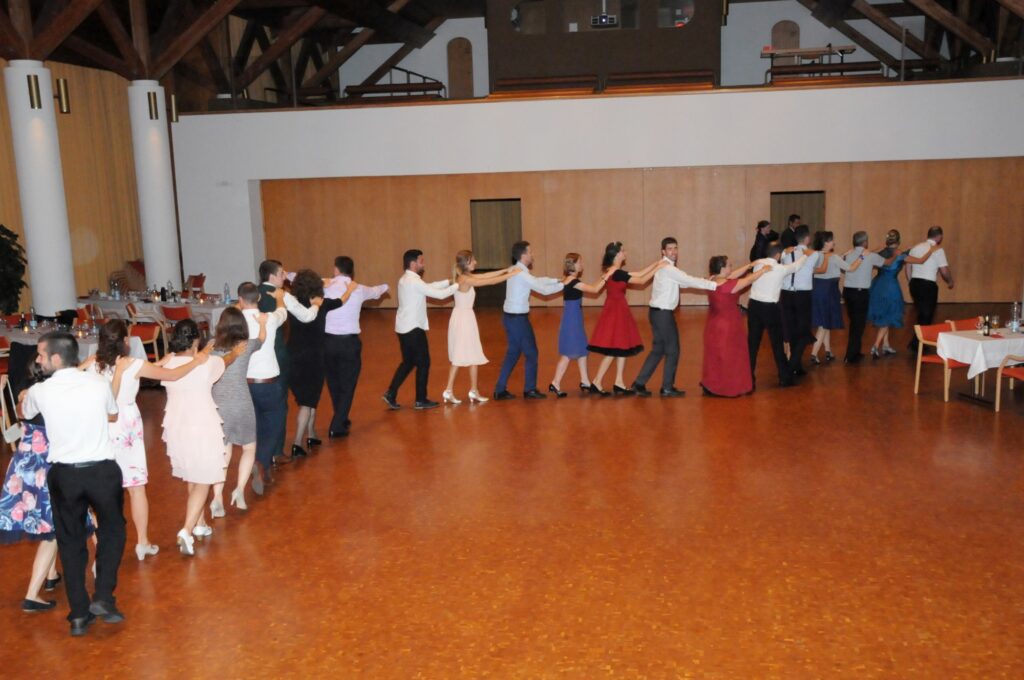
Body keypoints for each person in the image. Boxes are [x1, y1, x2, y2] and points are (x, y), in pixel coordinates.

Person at [19, 332, 124, 636]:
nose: (38, 360)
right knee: (112, 532)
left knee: (70, 540)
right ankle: (103, 596)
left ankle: (78, 614)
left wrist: (24, 395)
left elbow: (24, 414)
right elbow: (113, 414)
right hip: (102, 471)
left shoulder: (41, 390)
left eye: (41, 355)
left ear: (55, 358)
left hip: (65, 475)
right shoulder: (98, 383)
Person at [81, 320, 209, 561]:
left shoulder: (93, 364)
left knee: (100, 489)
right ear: (125, 341)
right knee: (136, 487)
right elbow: (172, 375)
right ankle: (142, 542)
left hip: (101, 426)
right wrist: (197, 360)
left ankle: (101, 545)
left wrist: (158, 363)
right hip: (126, 425)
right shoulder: (132, 364)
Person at [1, 354, 71, 613]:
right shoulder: (52, 397)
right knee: (53, 528)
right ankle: (32, 595)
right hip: (46, 465)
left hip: (24, 464)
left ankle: (51, 574)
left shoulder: (27, 393)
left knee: (45, 522)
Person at [161, 320, 230, 557]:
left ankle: (200, 523)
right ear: (196, 340)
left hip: (175, 425)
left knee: (193, 473)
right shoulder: (207, 363)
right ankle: (187, 529)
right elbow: (225, 361)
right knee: (204, 478)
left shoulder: (168, 362)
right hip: (202, 423)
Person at [631, 237, 717, 397]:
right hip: (663, 315)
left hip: (657, 313)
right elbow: (687, 279)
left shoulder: (666, 267)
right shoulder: (668, 268)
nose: (674, 252)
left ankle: (639, 383)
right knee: (673, 350)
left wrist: (705, 280)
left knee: (658, 350)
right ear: (663, 251)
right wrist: (714, 285)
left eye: (675, 248)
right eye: (670, 249)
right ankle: (667, 387)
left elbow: (682, 282)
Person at [257, 259, 320, 466]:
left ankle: (259, 452)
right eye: (282, 273)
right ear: (272, 276)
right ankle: (275, 452)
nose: (285, 277)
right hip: (276, 356)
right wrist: (316, 305)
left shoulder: (253, 293)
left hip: (254, 358)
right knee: (279, 405)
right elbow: (307, 317)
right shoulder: (283, 295)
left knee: (258, 408)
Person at [287, 269, 352, 457]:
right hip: (313, 357)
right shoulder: (321, 303)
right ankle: (297, 443)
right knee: (308, 402)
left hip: (293, 354)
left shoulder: (293, 303)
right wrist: (351, 288)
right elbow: (341, 300)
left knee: (309, 398)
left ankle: (312, 434)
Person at [587, 242, 666, 395]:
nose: (625, 253)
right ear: (617, 254)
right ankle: (597, 381)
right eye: (623, 251)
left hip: (618, 311)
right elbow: (641, 280)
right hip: (616, 313)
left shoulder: (615, 271)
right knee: (614, 349)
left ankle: (618, 382)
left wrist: (657, 263)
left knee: (621, 346)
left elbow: (640, 273)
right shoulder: (616, 273)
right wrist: (659, 268)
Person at [443, 251, 521, 404]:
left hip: (464, 317)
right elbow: (489, 281)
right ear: (466, 262)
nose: (476, 262)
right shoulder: (465, 279)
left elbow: (486, 276)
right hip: (463, 319)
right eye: (473, 260)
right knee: (459, 355)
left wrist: (506, 270)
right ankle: (448, 390)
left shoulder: (465, 276)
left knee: (473, 353)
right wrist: (511, 274)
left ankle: (473, 390)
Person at [383, 249, 457, 410]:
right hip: (414, 328)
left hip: (403, 328)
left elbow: (428, 287)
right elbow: (439, 295)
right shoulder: (413, 281)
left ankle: (391, 393)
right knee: (424, 362)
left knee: (408, 362)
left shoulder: (406, 279)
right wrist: (458, 285)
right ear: (413, 263)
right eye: (421, 261)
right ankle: (420, 400)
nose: (423, 264)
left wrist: (449, 281)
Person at [209, 307, 266, 514]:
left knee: (224, 450)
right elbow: (262, 339)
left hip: (218, 404)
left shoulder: (212, 346)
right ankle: (239, 489)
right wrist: (262, 323)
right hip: (242, 403)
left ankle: (217, 497)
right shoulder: (246, 345)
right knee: (249, 448)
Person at [323, 256, 388, 437]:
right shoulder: (358, 289)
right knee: (348, 383)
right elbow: (377, 291)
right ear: (352, 271)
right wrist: (386, 286)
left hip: (327, 342)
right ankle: (337, 424)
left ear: (336, 269)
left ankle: (341, 417)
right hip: (349, 343)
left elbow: (301, 280)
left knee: (333, 382)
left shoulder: (325, 286)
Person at [493, 241, 564, 400]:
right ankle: (529, 389)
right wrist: (564, 285)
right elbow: (543, 290)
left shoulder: (516, 270)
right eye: (530, 252)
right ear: (524, 255)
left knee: (513, 353)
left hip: (510, 318)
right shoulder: (521, 274)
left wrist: (557, 280)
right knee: (532, 353)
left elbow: (537, 280)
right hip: (518, 320)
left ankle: (500, 389)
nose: (533, 255)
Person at [240, 282, 287, 491]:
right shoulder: (269, 319)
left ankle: (260, 466)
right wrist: (279, 297)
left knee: (257, 424)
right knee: (275, 421)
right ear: (259, 298)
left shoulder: (236, 322)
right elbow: (282, 312)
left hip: (245, 383)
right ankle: (261, 462)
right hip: (268, 382)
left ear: (240, 300)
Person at [701, 256, 767, 397]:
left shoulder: (711, 280)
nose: (731, 268)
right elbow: (748, 280)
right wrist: (763, 270)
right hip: (729, 326)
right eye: (729, 265)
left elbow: (732, 275)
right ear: (722, 268)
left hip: (713, 324)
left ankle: (712, 385)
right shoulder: (728, 286)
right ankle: (728, 387)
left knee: (715, 357)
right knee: (731, 357)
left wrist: (749, 265)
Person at [867, 230, 938, 358]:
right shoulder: (900, 255)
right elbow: (920, 260)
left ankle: (886, 345)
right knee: (889, 315)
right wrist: (930, 251)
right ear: (898, 241)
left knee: (885, 314)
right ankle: (876, 346)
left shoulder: (882, 253)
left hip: (878, 286)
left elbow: (869, 256)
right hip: (890, 287)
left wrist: (877, 248)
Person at [748, 244, 810, 388]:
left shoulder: (759, 264)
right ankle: (784, 378)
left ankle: (749, 380)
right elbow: (796, 266)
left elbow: (774, 257)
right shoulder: (780, 269)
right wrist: (806, 255)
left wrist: (783, 253)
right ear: (778, 255)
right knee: (777, 344)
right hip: (770, 309)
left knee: (752, 344)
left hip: (754, 307)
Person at [548, 253, 605, 396]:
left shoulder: (568, 280)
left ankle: (585, 381)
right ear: (573, 265)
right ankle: (555, 382)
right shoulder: (574, 282)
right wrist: (606, 276)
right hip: (572, 321)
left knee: (582, 350)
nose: (582, 265)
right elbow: (594, 290)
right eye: (580, 262)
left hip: (574, 319)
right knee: (568, 353)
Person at [809, 231, 863, 364]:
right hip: (828, 290)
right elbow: (850, 268)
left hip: (817, 289)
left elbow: (831, 259)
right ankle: (813, 354)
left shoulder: (816, 255)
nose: (834, 242)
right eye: (832, 240)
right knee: (823, 325)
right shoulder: (833, 257)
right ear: (826, 242)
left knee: (825, 321)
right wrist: (862, 257)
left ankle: (828, 351)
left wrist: (844, 255)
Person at [780, 225, 820, 379]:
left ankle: (796, 366)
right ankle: (791, 367)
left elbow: (782, 257)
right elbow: (816, 261)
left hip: (786, 295)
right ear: (807, 238)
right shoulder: (813, 254)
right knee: (803, 332)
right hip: (802, 296)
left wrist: (790, 250)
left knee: (792, 330)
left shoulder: (785, 253)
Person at [841, 232, 886, 364]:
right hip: (860, 294)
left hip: (848, 292)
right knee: (858, 324)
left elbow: (843, 269)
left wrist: (875, 250)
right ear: (865, 242)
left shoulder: (848, 254)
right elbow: (885, 262)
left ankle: (856, 352)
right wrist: (895, 253)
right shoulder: (871, 256)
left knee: (855, 323)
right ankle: (850, 356)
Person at [907, 226, 953, 351]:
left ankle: (916, 342)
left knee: (921, 313)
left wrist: (911, 281)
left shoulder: (916, 247)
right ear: (939, 236)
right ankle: (919, 344)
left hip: (915, 283)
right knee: (927, 315)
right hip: (928, 285)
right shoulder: (938, 250)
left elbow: (908, 266)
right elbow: (944, 271)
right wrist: (950, 281)